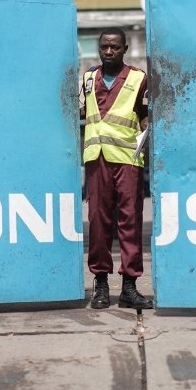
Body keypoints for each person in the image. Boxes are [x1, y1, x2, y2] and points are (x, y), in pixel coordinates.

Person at [82, 28, 153, 309]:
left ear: (125, 49)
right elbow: (82, 111)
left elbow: (145, 116)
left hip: (127, 159)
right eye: (104, 47)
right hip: (96, 158)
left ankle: (129, 287)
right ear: (98, 49)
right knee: (98, 222)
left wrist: (148, 138)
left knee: (130, 221)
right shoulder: (88, 78)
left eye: (114, 47)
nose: (108, 51)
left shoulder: (138, 78)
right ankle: (100, 285)